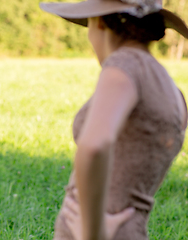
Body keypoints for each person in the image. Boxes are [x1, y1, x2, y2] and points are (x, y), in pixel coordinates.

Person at [40, 0, 188, 240]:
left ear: (98, 21)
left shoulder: (124, 65)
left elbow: (93, 146)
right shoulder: (171, 89)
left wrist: (92, 234)